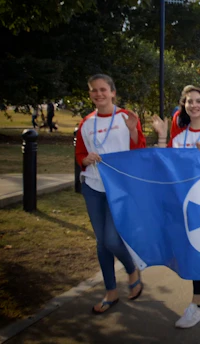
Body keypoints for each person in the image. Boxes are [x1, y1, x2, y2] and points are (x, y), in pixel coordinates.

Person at [152, 86, 200, 328]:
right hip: (181, 201)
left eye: (198, 101)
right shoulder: (178, 136)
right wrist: (163, 136)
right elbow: (163, 165)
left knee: (197, 248)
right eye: (189, 102)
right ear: (183, 106)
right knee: (188, 248)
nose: (194, 105)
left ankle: (196, 306)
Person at [75, 74, 145, 314]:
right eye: (94, 90)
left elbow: (139, 151)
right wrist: (87, 159)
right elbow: (80, 156)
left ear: (113, 92)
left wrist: (134, 130)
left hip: (120, 188)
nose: (99, 94)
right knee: (101, 242)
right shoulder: (86, 122)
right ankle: (110, 292)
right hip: (93, 186)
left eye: (103, 89)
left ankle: (131, 268)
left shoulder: (126, 117)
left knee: (111, 239)